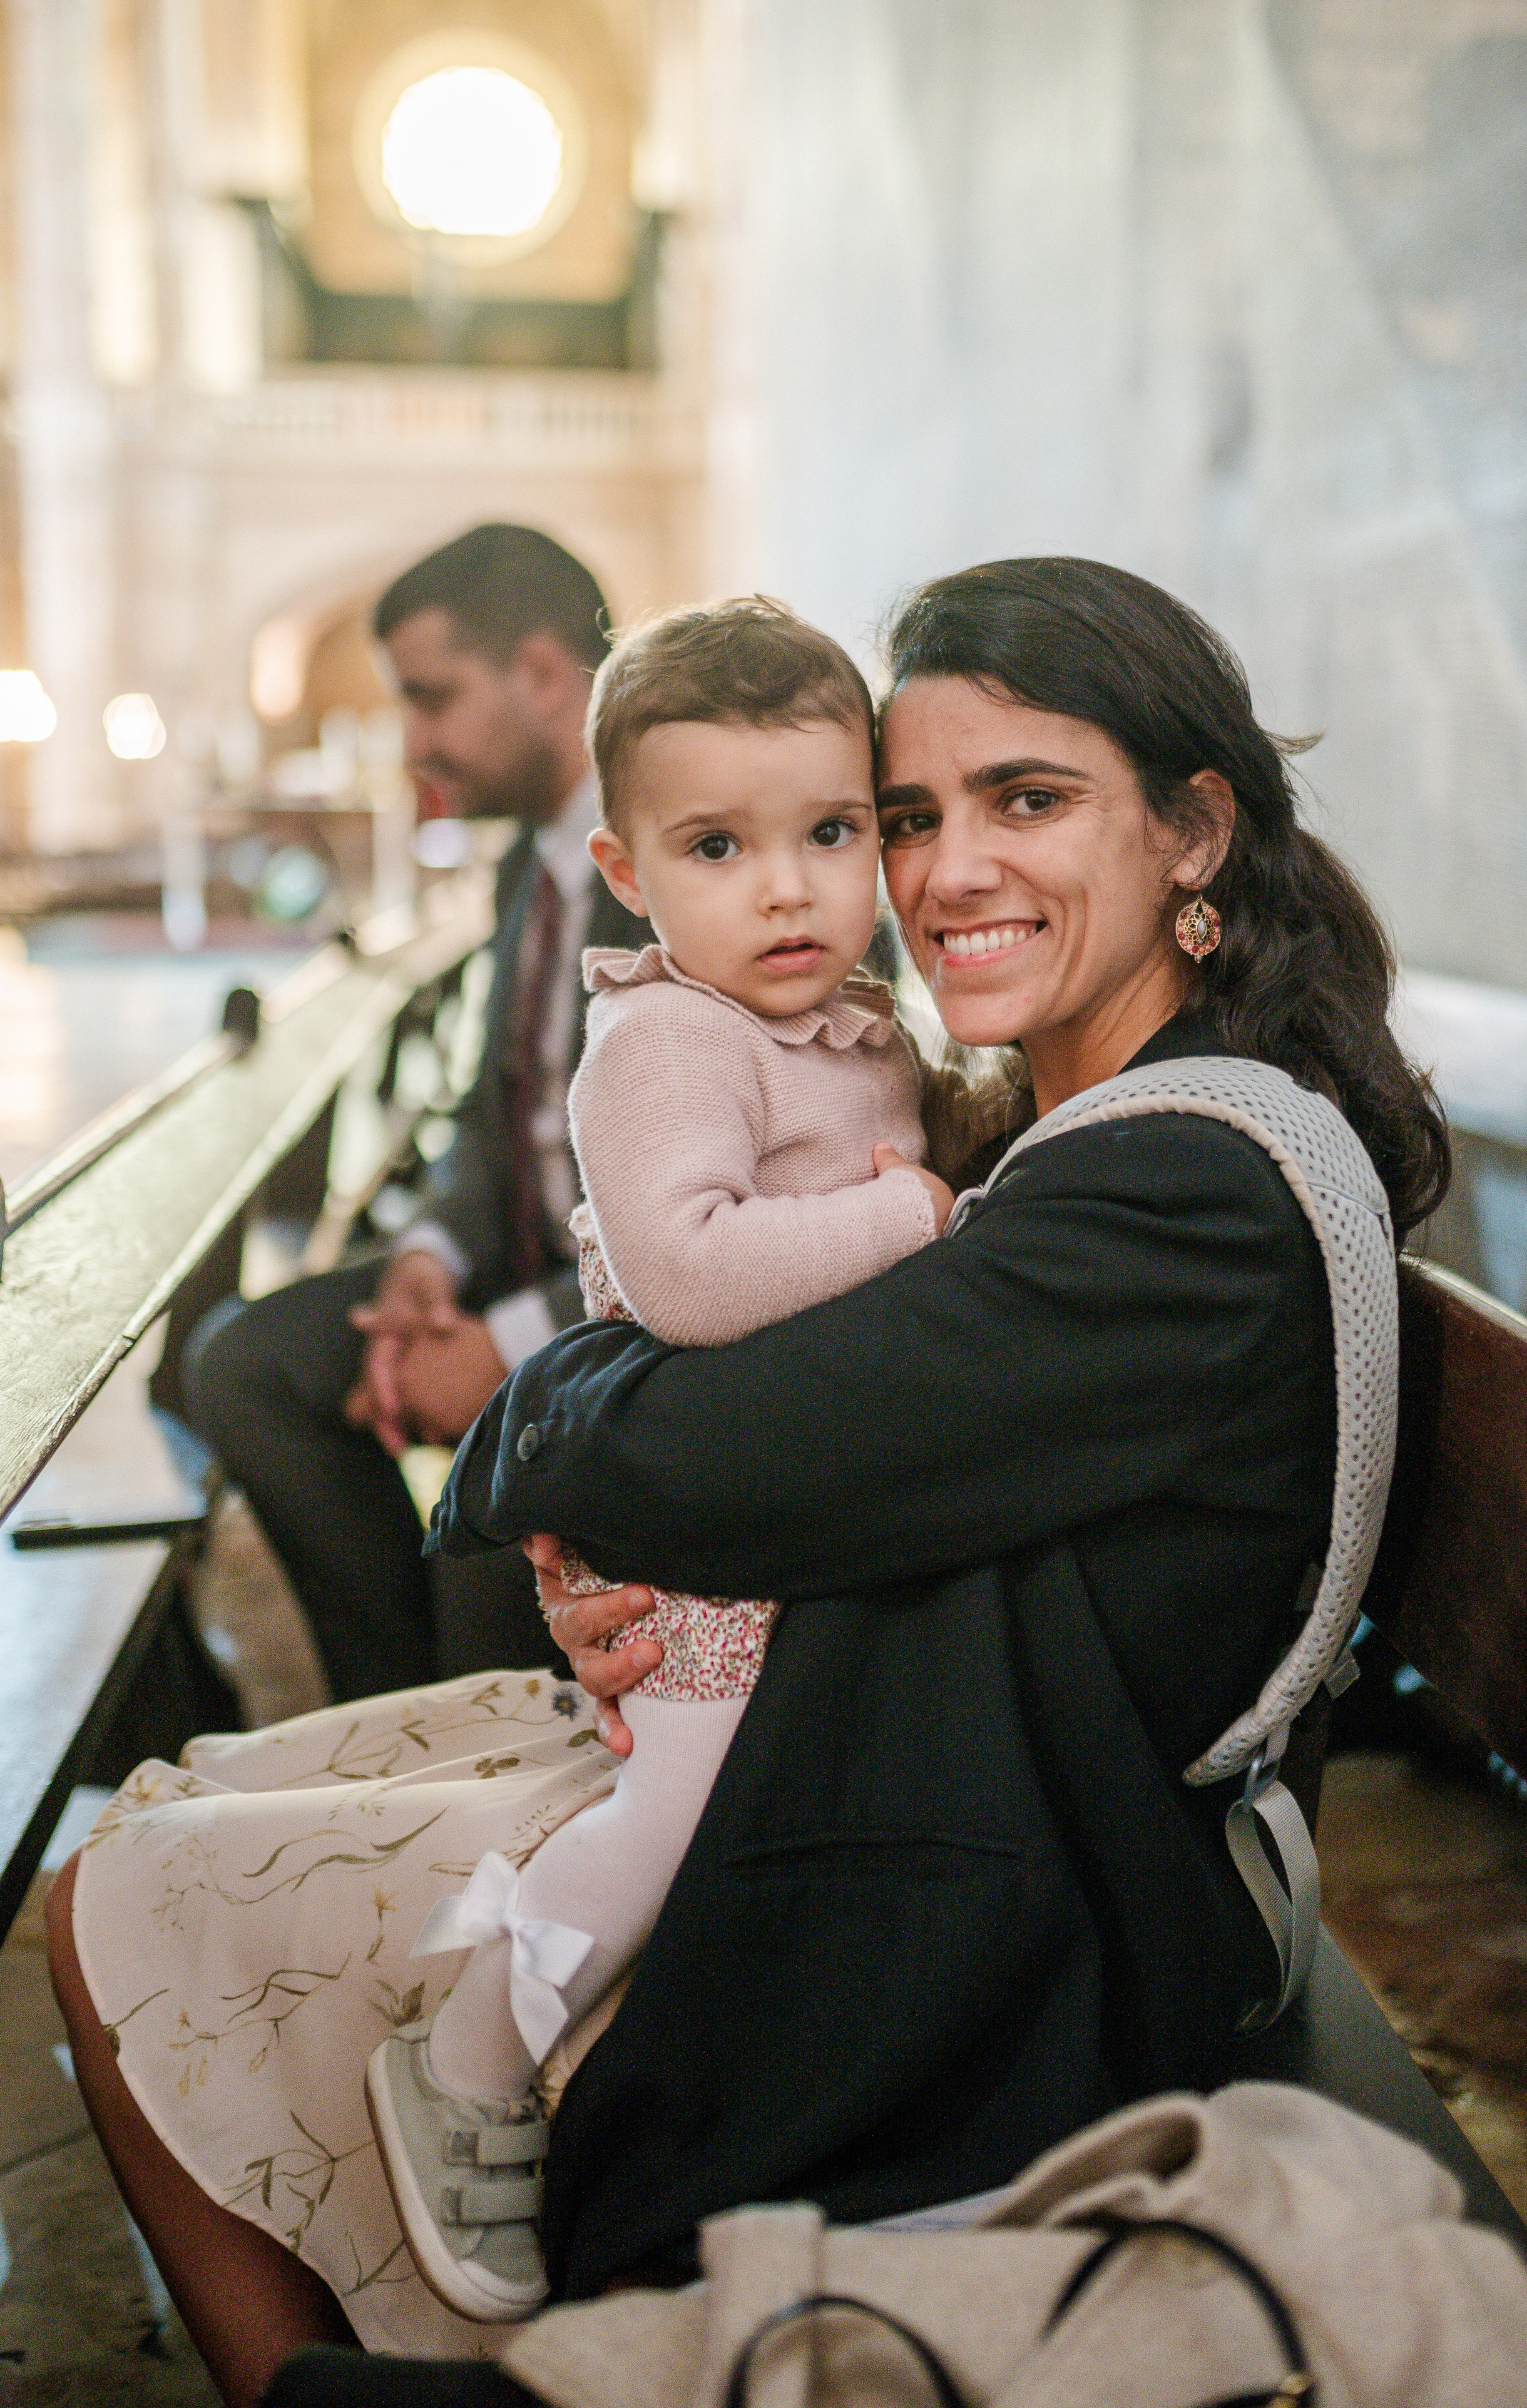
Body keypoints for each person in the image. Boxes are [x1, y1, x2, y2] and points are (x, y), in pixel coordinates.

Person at [46, 557, 1448, 2408]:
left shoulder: (1184, 1190)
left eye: (1027, 800)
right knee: (149, 1858)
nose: (944, 873)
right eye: (912, 816)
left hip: (995, 1919)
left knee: (126, 1899)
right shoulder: (1067, 1127)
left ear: (1194, 832)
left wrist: (553, 1456)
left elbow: (702, 1441)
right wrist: (611, 1514)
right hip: (881, 1769)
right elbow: (747, 1424)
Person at [366, 598, 947, 2322]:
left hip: (792, 1503)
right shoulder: (669, 1041)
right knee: (675, 1813)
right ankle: (468, 2055)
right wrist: (915, 1217)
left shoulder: (854, 1025)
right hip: (700, 1530)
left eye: (830, 833)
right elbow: (687, 1276)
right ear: (627, 870)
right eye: (718, 847)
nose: (787, 891)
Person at [185, 524, 648, 1701]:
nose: (414, 742)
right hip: (507, 1268)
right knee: (242, 1365)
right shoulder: (524, 867)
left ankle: (449, 1704)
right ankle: (388, 1705)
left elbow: (722, 1192)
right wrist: (428, 1264)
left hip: (640, 1316)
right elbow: (492, 1124)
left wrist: (507, 1346)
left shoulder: (678, 861)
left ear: (542, 675)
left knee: (484, 1533)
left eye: (432, 697)